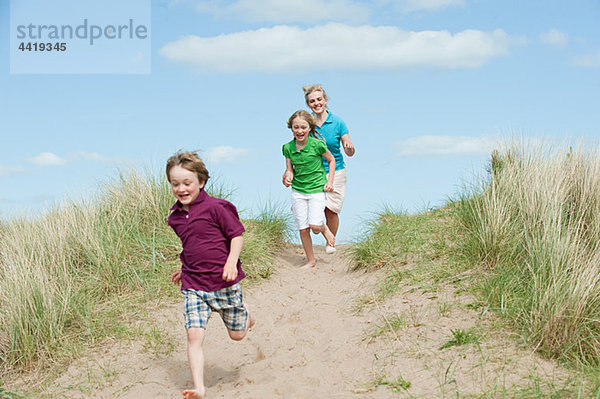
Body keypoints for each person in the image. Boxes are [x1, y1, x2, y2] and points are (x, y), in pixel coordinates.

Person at [166, 151, 254, 399]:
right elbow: (193, 246)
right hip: (194, 285)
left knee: (237, 335)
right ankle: (199, 388)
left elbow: (236, 235)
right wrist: (184, 269)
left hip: (223, 282)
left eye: (187, 183)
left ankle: (246, 313)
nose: (181, 189)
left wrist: (231, 263)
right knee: (194, 334)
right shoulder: (175, 218)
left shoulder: (217, 208)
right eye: (175, 184)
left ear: (201, 182)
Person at [303, 84, 356, 253]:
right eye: (312, 101)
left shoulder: (338, 122)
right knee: (313, 210)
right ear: (308, 104)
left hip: (337, 170)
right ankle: (324, 233)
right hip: (314, 171)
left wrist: (349, 146)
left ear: (325, 100)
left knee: (330, 210)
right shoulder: (307, 124)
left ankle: (330, 243)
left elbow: (349, 151)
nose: (317, 103)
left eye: (319, 99)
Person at [282, 110, 336, 269]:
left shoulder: (317, 145)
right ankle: (311, 261)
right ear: (291, 128)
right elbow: (289, 169)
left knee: (315, 226)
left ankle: (324, 228)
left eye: (303, 127)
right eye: (296, 127)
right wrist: (287, 177)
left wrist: (330, 181)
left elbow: (331, 160)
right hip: (298, 191)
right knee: (303, 228)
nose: (299, 131)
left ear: (309, 128)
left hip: (316, 189)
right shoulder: (287, 148)